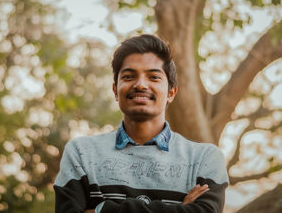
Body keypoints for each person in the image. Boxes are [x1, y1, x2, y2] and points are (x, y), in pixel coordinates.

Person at [54, 34, 229, 212]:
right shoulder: (81, 153)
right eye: (129, 76)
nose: (140, 85)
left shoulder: (204, 159)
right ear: (115, 90)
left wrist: (102, 209)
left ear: (171, 92)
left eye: (153, 77)